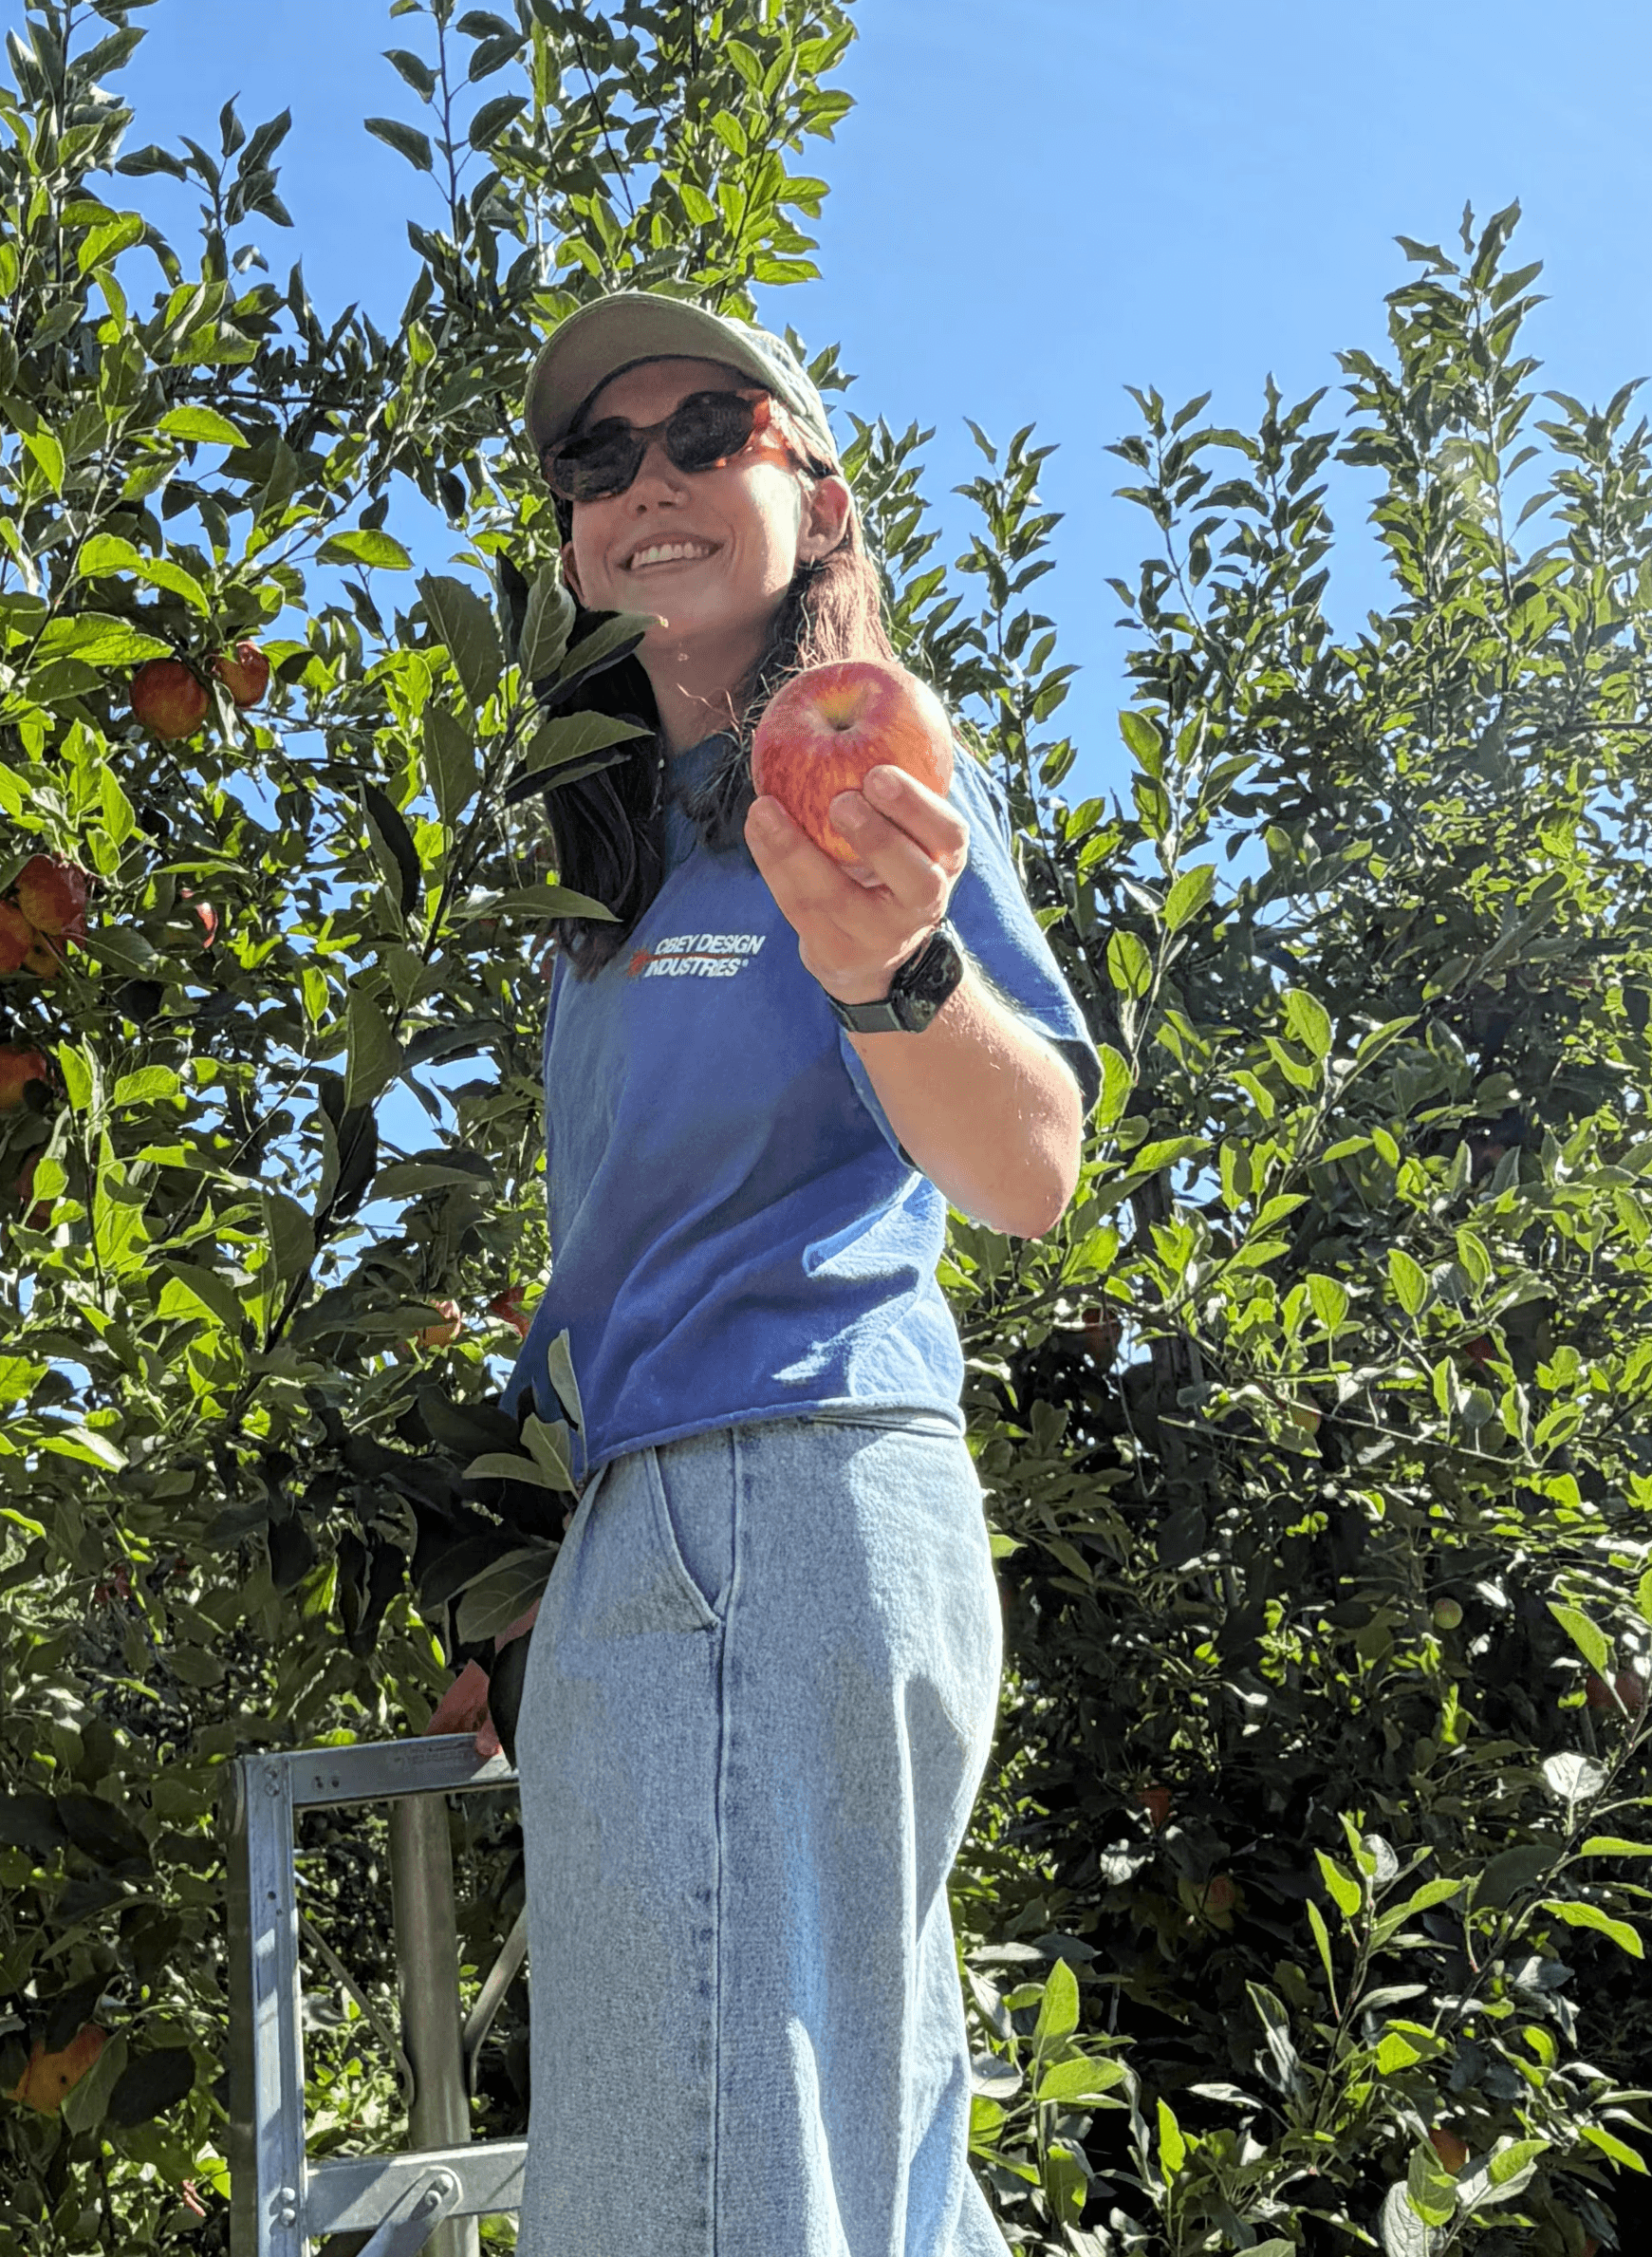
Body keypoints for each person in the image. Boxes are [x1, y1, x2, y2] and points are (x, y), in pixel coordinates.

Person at [428, 291, 1097, 2257]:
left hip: (771, 1501)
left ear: (808, 488)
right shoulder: (613, 879)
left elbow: (1027, 1162)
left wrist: (884, 963)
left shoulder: (865, 775)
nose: (645, 482)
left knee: (699, 2206)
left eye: (702, 431)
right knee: (845, 2186)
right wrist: (529, 1579)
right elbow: (624, 1267)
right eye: (593, 459)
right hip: (689, 1532)